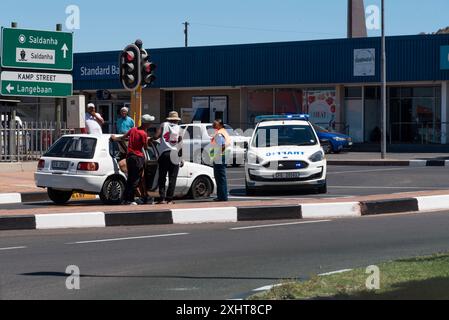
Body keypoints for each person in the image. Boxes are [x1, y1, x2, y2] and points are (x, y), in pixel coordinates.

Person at [112, 114, 155, 205]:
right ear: (146, 124)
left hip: (129, 157)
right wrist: (149, 141)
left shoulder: (133, 129)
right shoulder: (143, 133)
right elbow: (145, 147)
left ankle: (125, 199)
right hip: (138, 158)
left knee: (130, 179)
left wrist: (115, 138)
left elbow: (123, 137)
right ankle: (130, 199)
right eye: (150, 123)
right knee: (135, 179)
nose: (150, 124)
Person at [154, 111, 182, 205]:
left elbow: (156, 136)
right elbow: (180, 144)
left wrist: (151, 139)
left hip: (164, 154)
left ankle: (162, 199)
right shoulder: (179, 128)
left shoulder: (164, 125)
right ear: (177, 120)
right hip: (175, 154)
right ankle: (169, 199)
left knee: (162, 177)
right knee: (172, 178)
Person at [210, 119, 231, 202]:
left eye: (216, 123)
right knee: (221, 177)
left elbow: (221, 145)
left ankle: (222, 197)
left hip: (220, 157)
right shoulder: (222, 132)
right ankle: (222, 196)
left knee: (219, 177)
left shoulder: (219, 134)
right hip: (223, 156)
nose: (214, 123)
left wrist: (217, 156)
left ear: (220, 125)